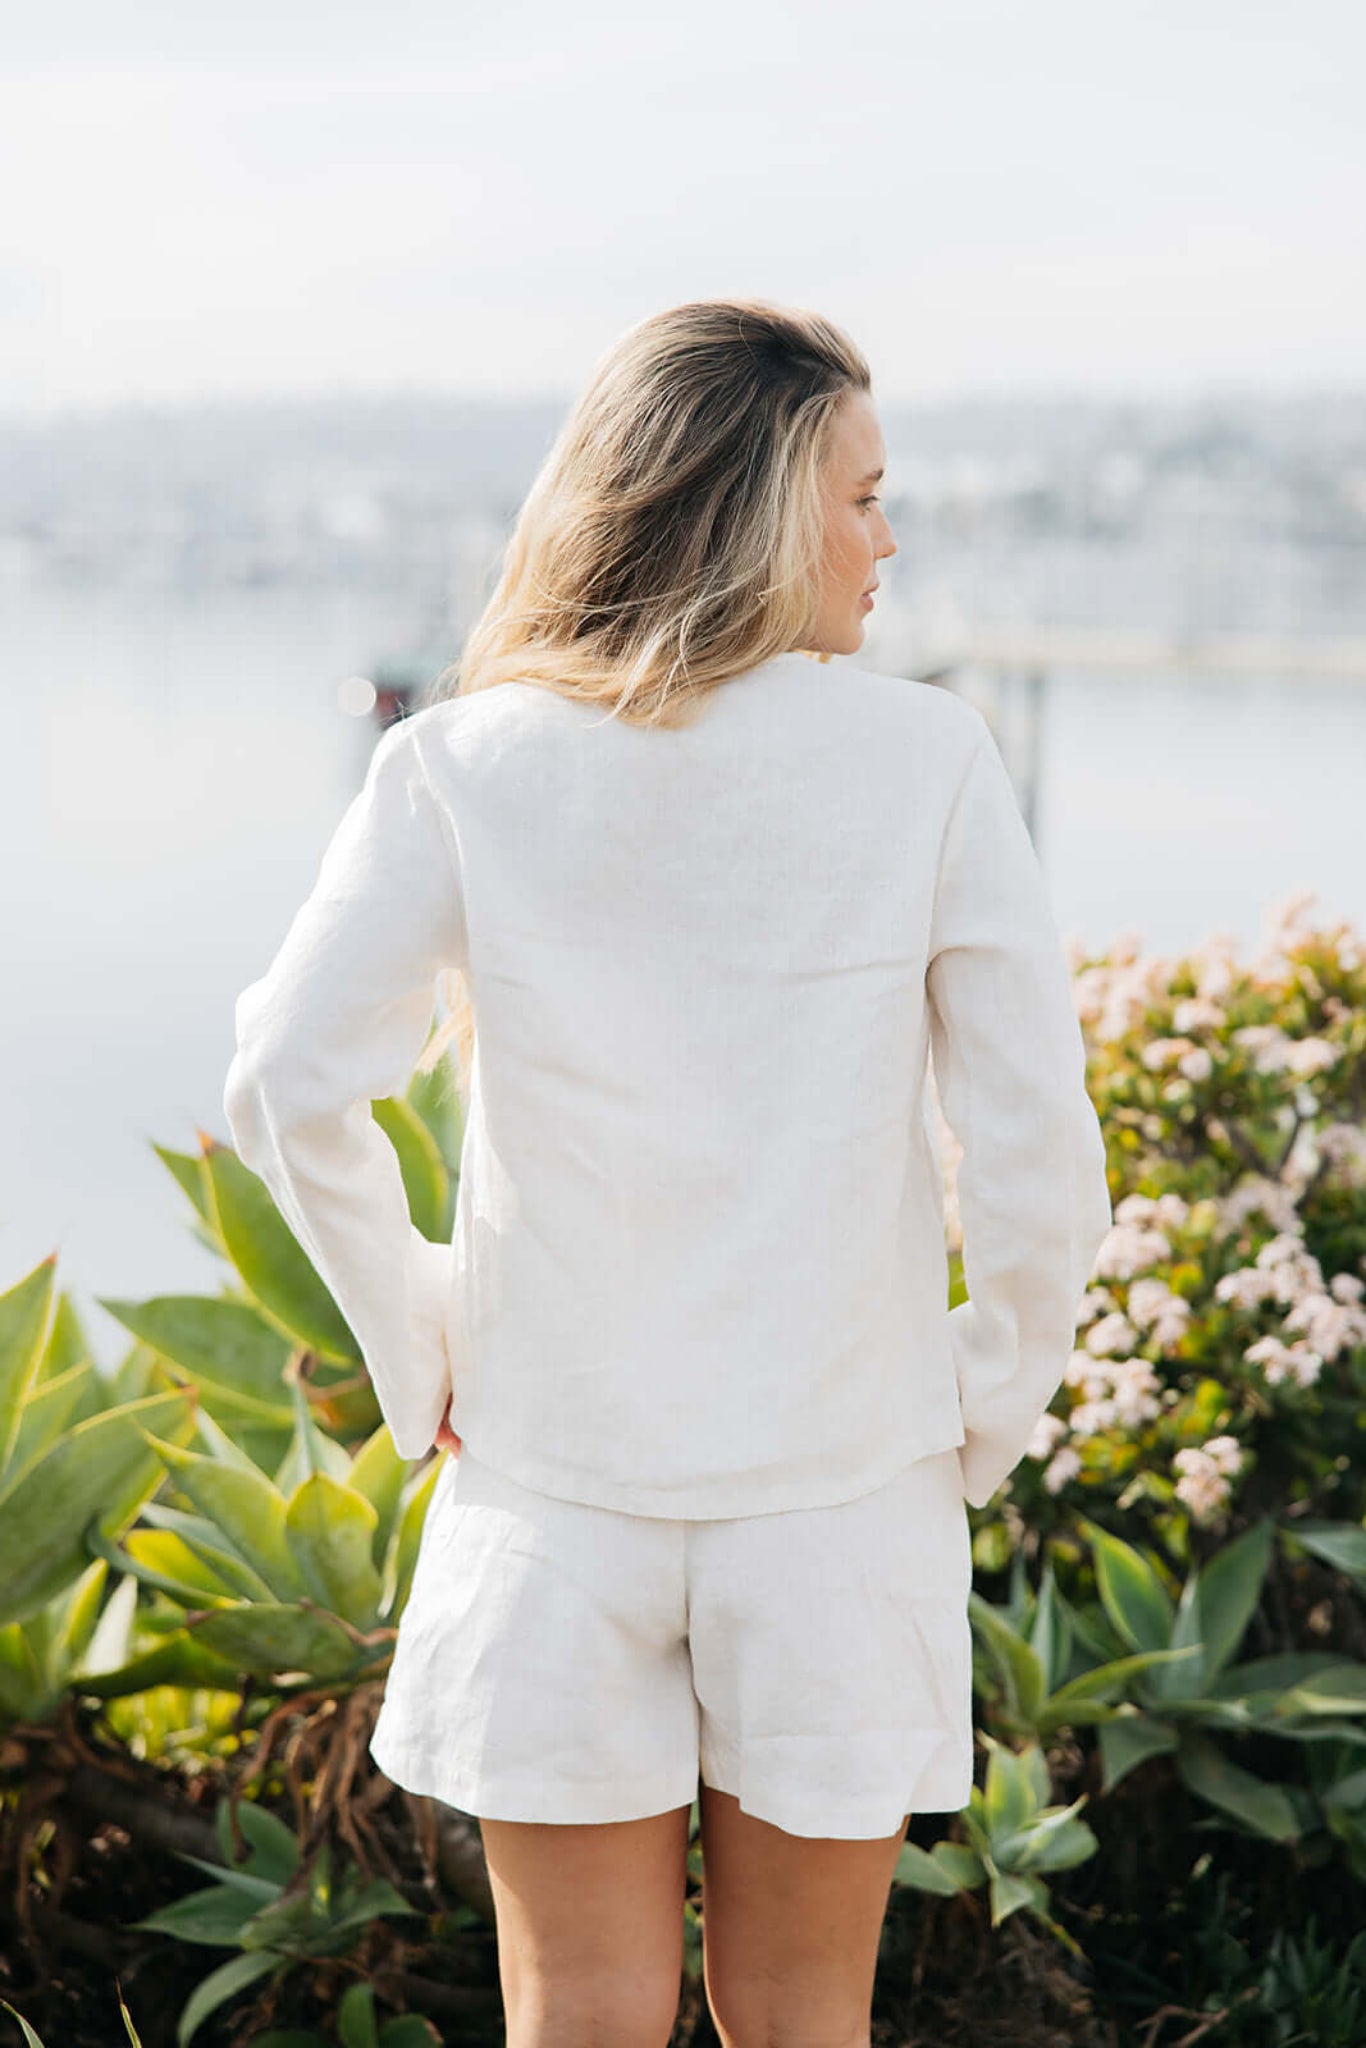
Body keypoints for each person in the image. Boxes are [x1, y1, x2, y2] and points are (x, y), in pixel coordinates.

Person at [222, 298, 1113, 2048]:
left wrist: (422, 1346)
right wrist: (980, 1404)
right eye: (862, 496)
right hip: (840, 1497)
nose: (887, 540)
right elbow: (1035, 1156)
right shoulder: (930, 761)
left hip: (553, 1494)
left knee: (577, 2016)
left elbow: (286, 1083)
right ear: (763, 507)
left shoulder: (461, 761)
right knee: (803, 2020)